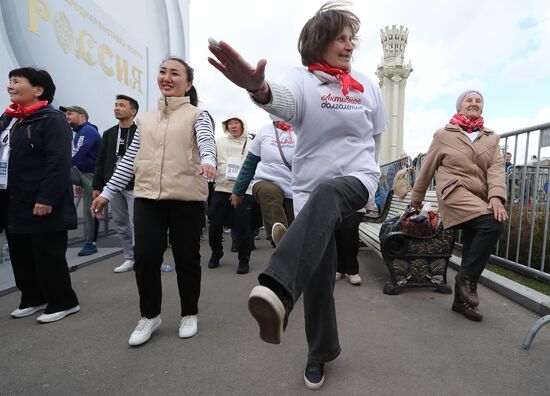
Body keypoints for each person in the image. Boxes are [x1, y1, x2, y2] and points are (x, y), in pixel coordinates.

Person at [208, 3, 387, 389]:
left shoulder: (367, 85)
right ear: (318, 42)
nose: (349, 46)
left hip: (356, 180)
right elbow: (282, 101)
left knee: (330, 190)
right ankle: (319, 352)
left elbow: (375, 136)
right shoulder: (302, 81)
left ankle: (276, 290)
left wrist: (371, 183)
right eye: (340, 38)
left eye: (350, 39)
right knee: (320, 282)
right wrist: (257, 87)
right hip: (310, 195)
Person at [91, 57, 216, 346]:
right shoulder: (144, 120)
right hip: (147, 196)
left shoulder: (198, 115)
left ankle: (189, 313)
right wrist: (107, 193)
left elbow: (206, 142)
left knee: (187, 257)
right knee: (145, 256)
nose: (166, 77)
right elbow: (128, 161)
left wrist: (208, 160)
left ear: (188, 83)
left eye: (174, 73)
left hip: (186, 198)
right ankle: (149, 315)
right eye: (162, 72)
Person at [411, 90, 508, 322]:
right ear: (459, 107)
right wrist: (417, 196)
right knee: (492, 223)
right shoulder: (444, 134)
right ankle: (466, 279)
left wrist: (496, 197)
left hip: (480, 198)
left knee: (479, 233)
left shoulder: (492, 138)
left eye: (478, 100)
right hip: (454, 192)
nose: (474, 103)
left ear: (482, 107)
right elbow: (427, 167)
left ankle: (460, 301)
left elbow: (496, 170)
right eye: (469, 100)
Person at [5, 67, 80, 323]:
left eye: (17, 81)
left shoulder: (51, 119)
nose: (10, 85)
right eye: (9, 81)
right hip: (13, 198)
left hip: (40, 199)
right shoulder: (9, 119)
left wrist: (46, 197)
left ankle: (64, 301)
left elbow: (59, 162)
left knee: (47, 253)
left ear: (38, 90)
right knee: (20, 252)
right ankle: (33, 298)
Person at [231, 119, 296, 248]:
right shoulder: (264, 132)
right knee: (270, 193)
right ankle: (281, 242)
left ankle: (291, 251)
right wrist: (238, 191)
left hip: (295, 185)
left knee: (295, 224)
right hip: (266, 180)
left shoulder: (303, 129)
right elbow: (250, 163)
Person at [92, 95, 139, 273]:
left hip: (135, 185)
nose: (117, 108)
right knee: (120, 222)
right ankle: (129, 258)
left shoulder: (140, 131)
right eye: (116, 105)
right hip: (113, 186)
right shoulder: (109, 133)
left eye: (121, 105)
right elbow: (101, 161)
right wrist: (97, 186)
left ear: (133, 111)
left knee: (136, 223)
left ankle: (140, 257)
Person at [207, 114, 255, 274]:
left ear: (243, 125)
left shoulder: (252, 143)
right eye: (230, 123)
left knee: (242, 226)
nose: (233, 126)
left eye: (236, 123)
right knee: (214, 224)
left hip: (244, 190)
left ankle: (244, 258)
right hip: (221, 188)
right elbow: (210, 158)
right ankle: (216, 252)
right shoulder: (219, 142)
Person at [60, 105, 101, 256]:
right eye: (65, 115)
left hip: (92, 176)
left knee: (91, 209)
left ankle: (91, 243)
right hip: (83, 173)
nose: (67, 117)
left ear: (82, 116)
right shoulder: (79, 133)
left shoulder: (88, 131)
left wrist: (65, 171)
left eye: (70, 114)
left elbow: (77, 155)